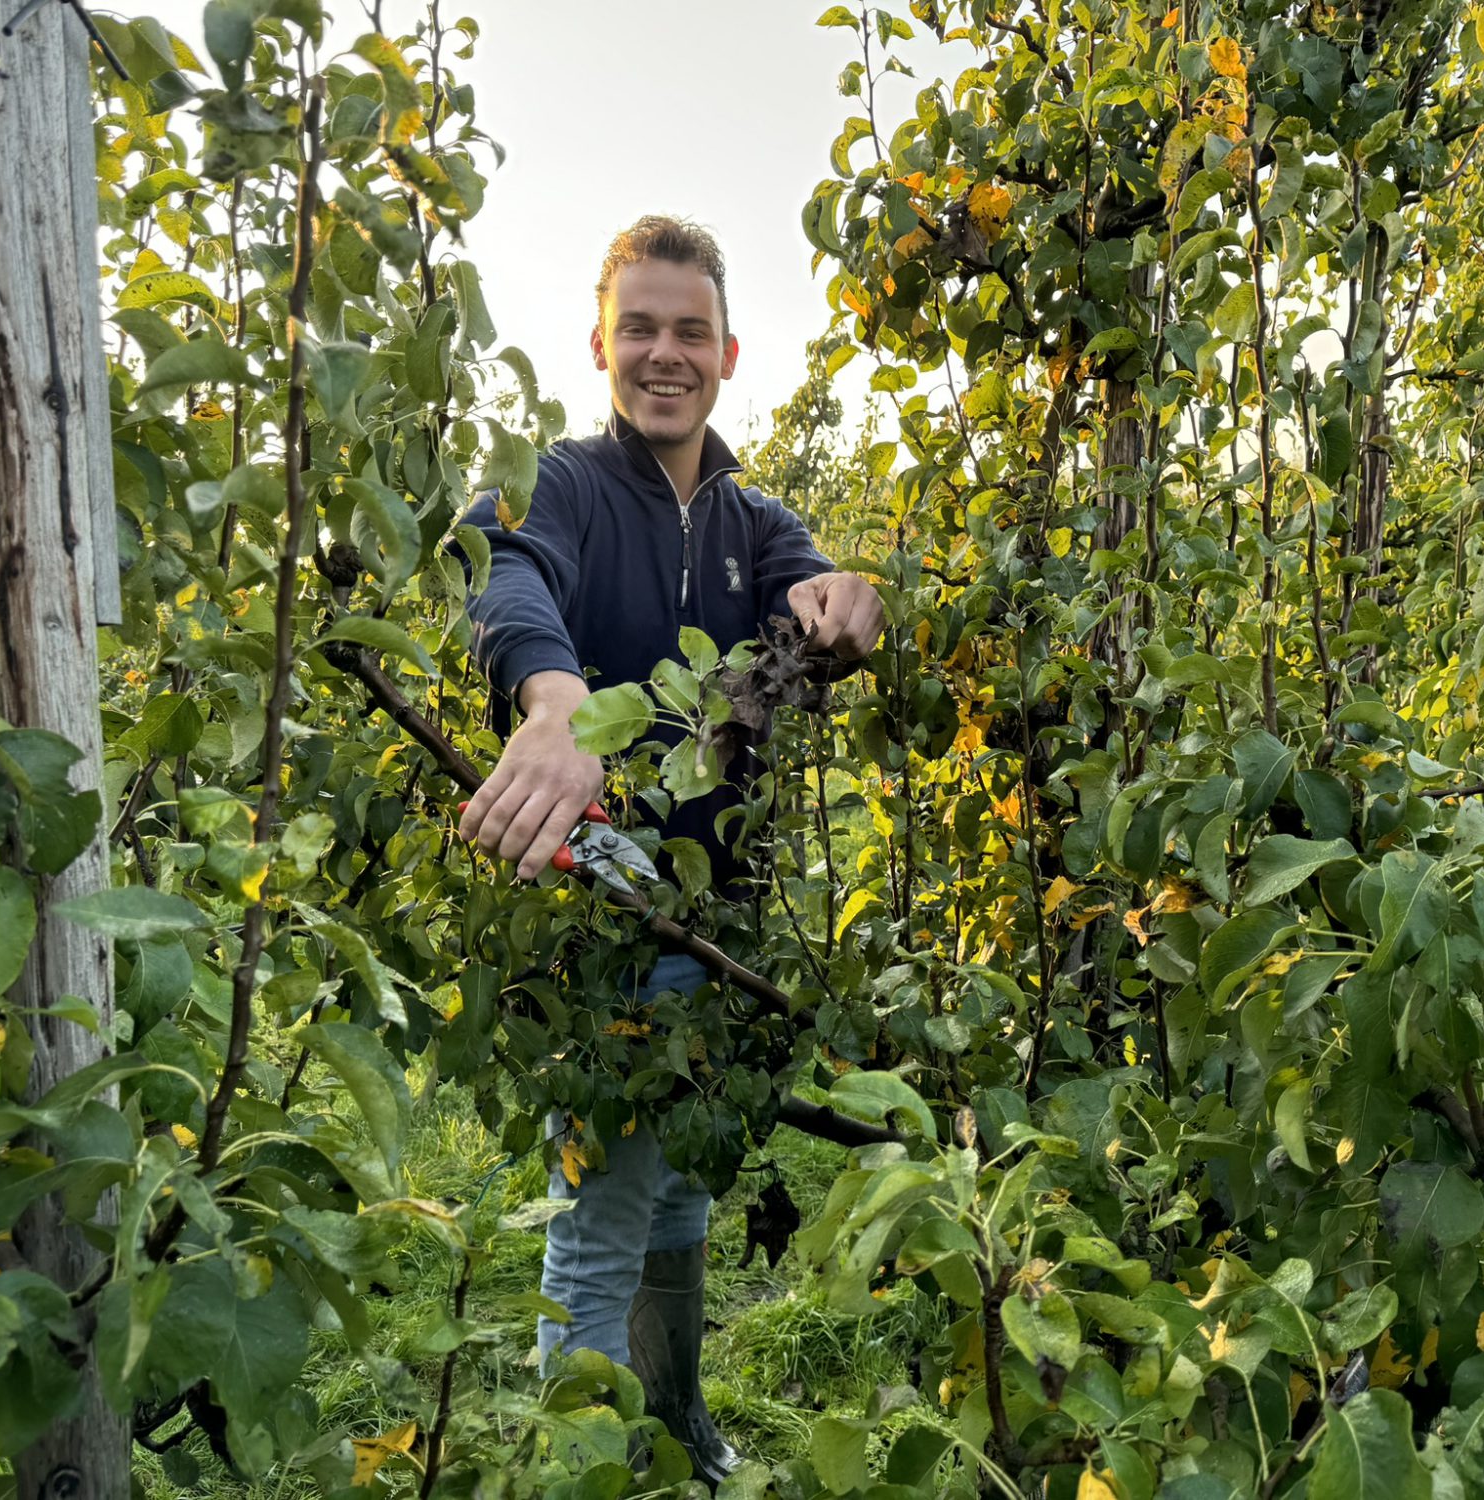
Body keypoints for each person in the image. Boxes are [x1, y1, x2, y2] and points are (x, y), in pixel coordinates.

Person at [455, 215, 883, 1482]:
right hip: (600, 933)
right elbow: (507, 569)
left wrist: (849, 604)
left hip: (721, 927)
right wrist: (551, 702)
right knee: (597, 1223)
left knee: (684, 1185)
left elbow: (827, 602)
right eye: (637, 327)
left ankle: (676, 1412)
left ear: (728, 353)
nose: (663, 352)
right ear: (599, 342)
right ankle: (579, 1467)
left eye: (687, 331)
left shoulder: (759, 525)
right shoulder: (565, 484)